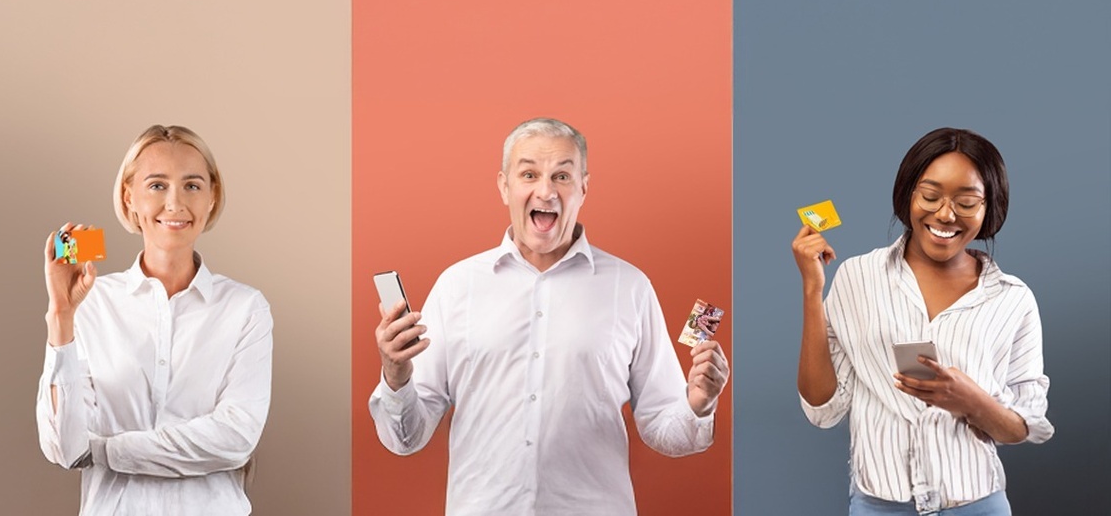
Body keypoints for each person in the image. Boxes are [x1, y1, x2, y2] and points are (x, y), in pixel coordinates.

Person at [369, 117, 729, 515]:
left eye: (562, 176)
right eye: (528, 174)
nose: (546, 190)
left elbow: (666, 431)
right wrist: (396, 377)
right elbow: (407, 439)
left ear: (583, 188)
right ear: (504, 186)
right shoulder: (457, 286)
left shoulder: (630, 287)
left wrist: (698, 405)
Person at [793, 128, 1050, 515]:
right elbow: (823, 407)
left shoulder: (1013, 299)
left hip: (977, 504)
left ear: (989, 207)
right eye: (930, 196)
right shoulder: (857, 277)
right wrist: (813, 291)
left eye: (967, 202)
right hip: (880, 505)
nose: (945, 214)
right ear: (908, 194)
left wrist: (972, 401)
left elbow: (1022, 427)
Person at [37, 125, 273, 515]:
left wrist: (108, 450)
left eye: (193, 186)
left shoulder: (246, 309)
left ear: (212, 197)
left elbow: (235, 437)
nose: (175, 203)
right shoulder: (93, 304)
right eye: (157, 185)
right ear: (129, 198)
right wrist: (61, 316)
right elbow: (65, 448)